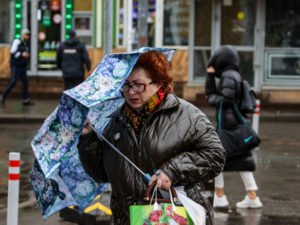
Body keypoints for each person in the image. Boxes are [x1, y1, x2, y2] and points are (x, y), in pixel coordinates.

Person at [78, 50, 226, 225]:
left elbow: (215, 155)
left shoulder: (187, 116)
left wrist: (172, 171)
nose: (130, 92)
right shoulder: (115, 122)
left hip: (173, 216)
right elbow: (100, 174)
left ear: (158, 83)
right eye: (125, 85)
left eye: (138, 85)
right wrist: (87, 138)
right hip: (128, 219)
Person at [205, 45, 263, 209]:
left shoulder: (228, 76)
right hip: (233, 126)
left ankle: (220, 195)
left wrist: (211, 99)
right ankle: (252, 196)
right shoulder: (232, 74)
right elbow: (217, 93)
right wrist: (210, 77)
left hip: (230, 128)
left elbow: (227, 100)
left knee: (217, 160)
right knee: (242, 161)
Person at [0, 28, 33, 106]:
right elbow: (12, 53)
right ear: (23, 35)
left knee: (25, 82)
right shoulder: (17, 41)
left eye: (29, 35)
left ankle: (26, 100)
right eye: (27, 35)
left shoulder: (26, 43)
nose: (28, 36)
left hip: (22, 65)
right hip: (16, 65)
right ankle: (3, 95)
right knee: (13, 81)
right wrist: (22, 54)